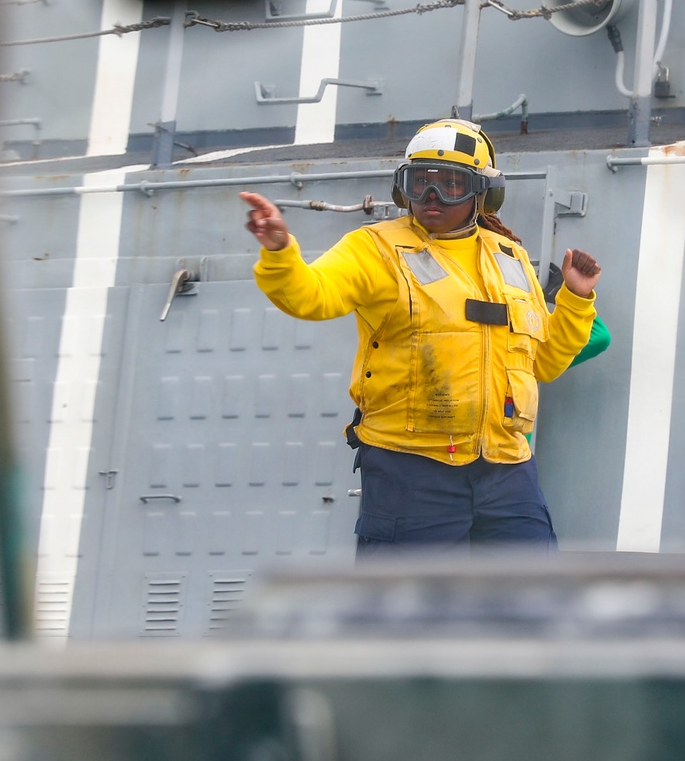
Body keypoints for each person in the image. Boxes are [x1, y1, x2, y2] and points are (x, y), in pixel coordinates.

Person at [240, 119, 601, 554]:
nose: (432, 198)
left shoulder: (511, 258)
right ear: (402, 188)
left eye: (451, 183)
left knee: (531, 607)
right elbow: (310, 297)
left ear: (482, 193)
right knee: (404, 613)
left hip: (507, 470)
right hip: (410, 470)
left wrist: (576, 302)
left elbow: (541, 363)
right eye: (421, 183)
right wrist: (280, 253)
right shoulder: (374, 247)